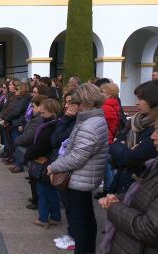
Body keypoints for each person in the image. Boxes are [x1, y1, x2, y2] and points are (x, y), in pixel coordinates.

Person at [99, 100, 158, 254]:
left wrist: (114, 207)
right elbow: (148, 199)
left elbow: (152, 229)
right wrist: (121, 199)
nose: (153, 137)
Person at [47, 83, 109, 254]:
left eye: (77, 102)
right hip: (84, 177)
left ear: (87, 102)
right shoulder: (91, 120)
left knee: (81, 221)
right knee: (86, 219)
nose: (73, 106)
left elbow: (77, 157)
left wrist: (53, 166)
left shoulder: (90, 124)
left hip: (80, 179)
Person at [109, 80, 158, 194]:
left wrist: (119, 147)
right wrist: (120, 147)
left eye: (141, 99)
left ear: (155, 99)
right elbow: (117, 143)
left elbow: (132, 158)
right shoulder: (135, 120)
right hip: (123, 181)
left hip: (140, 186)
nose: (136, 103)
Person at [25, 99, 61, 228]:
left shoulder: (49, 127)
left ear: (51, 111)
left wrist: (27, 154)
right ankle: (56, 217)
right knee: (51, 191)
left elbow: (40, 146)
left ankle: (43, 218)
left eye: (43, 113)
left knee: (42, 192)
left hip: (44, 162)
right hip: (50, 161)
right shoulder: (56, 124)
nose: (41, 115)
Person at [51, 91, 78, 251]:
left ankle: (75, 237)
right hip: (63, 165)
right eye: (65, 102)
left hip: (70, 170)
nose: (66, 106)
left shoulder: (76, 121)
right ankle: (71, 233)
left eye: (70, 102)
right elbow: (55, 139)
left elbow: (58, 139)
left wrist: (66, 119)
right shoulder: (67, 119)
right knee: (69, 205)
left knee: (74, 207)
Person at [95, 82, 121, 199]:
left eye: (103, 92)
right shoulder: (111, 104)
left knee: (106, 167)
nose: (100, 94)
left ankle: (108, 190)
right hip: (109, 138)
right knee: (108, 166)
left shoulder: (106, 106)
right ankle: (108, 189)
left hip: (106, 139)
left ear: (109, 95)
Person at [10, 95, 46, 174]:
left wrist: (16, 141)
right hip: (32, 144)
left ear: (40, 107)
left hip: (33, 148)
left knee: (20, 146)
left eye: (33, 107)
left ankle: (23, 166)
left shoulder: (38, 119)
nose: (32, 109)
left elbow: (29, 137)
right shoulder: (36, 117)